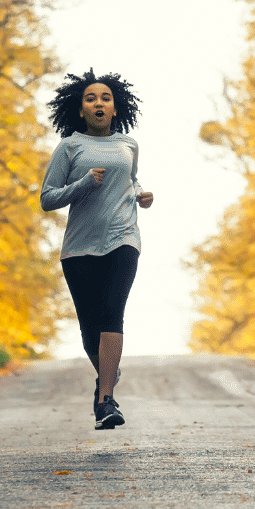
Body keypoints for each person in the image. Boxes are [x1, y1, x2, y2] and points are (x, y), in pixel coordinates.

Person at [40, 69, 153, 430]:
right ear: (81, 110)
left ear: (115, 108)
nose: (99, 102)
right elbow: (47, 198)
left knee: (111, 313)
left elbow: (130, 181)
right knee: (90, 329)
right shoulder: (70, 146)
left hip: (124, 239)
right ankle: (108, 373)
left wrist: (142, 195)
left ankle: (106, 400)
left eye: (105, 98)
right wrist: (84, 184)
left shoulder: (129, 145)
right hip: (79, 248)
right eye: (91, 98)